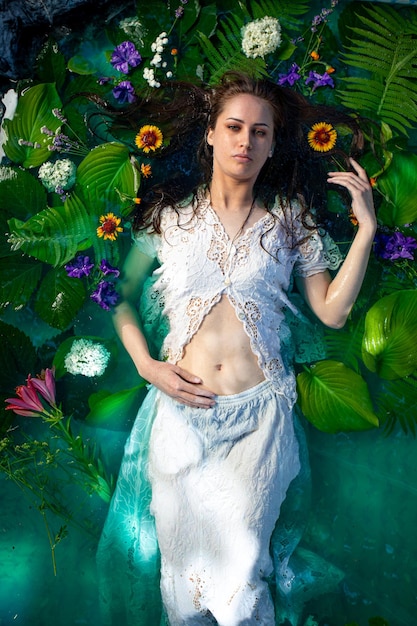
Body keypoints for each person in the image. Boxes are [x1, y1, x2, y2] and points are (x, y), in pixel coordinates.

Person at [96, 71, 376, 626]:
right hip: (180, 416)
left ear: (274, 145)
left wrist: (365, 230)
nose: (245, 141)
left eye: (260, 132)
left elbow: (332, 311)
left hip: (260, 422)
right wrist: (147, 365)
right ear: (210, 134)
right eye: (234, 127)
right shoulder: (167, 219)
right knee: (184, 586)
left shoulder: (291, 224)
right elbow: (119, 296)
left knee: (244, 574)